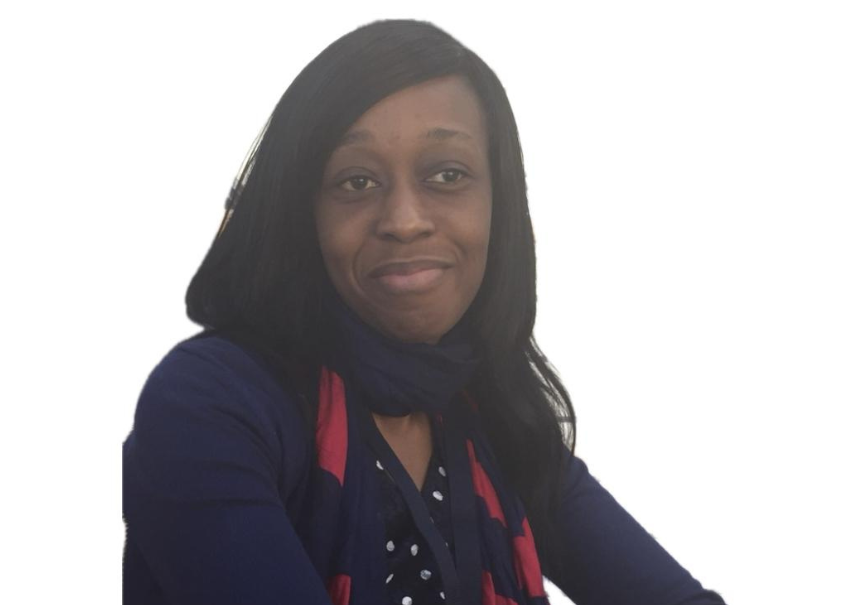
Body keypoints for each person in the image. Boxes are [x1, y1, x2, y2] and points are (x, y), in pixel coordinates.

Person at [122, 19, 726, 605]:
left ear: (500, 206)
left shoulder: (496, 417)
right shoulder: (213, 402)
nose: (405, 219)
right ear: (300, 214)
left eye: (447, 174)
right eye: (356, 182)